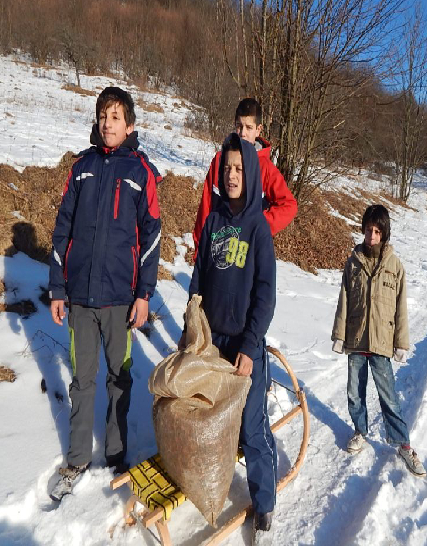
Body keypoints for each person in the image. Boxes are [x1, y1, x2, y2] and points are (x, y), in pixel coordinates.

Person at [48, 86, 161, 501]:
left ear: (129, 125)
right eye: (103, 116)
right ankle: (77, 457)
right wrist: (58, 288)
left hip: (119, 298)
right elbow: (62, 229)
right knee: (82, 378)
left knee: (121, 377)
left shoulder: (140, 172)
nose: (108, 123)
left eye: (115, 117)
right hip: (79, 297)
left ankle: (116, 455)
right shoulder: (82, 167)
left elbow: (151, 237)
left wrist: (144, 294)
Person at [189, 132, 277, 534]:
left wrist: (251, 344)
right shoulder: (213, 222)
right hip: (214, 344)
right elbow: (199, 277)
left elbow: (265, 293)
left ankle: (264, 502)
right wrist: (193, 320)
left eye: (239, 168)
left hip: (244, 347)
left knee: (252, 427)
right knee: (214, 421)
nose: (231, 175)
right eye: (227, 169)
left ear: (252, 173)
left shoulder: (258, 227)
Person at [331, 204, 426, 477]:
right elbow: (344, 301)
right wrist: (339, 335)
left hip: (382, 342)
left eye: (377, 231)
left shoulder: (395, 267)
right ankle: (360, 430)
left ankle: (403, 444)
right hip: (357, 339)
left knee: (389, 396)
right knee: (354, 392)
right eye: (368, 230)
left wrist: (401, 342)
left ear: (384, 233)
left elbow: (401, 308)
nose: (371, 236)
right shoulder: (353, 262)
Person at [192, 97, 297, 258]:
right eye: (239, 126)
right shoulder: (220, 160)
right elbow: (205, 207)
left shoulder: (266, 168)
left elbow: (289, 206)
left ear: (258, 129)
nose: (243, 133)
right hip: (217, 251)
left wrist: (259, 225)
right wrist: (199, 251)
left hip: (248, 255)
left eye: (249, 127)